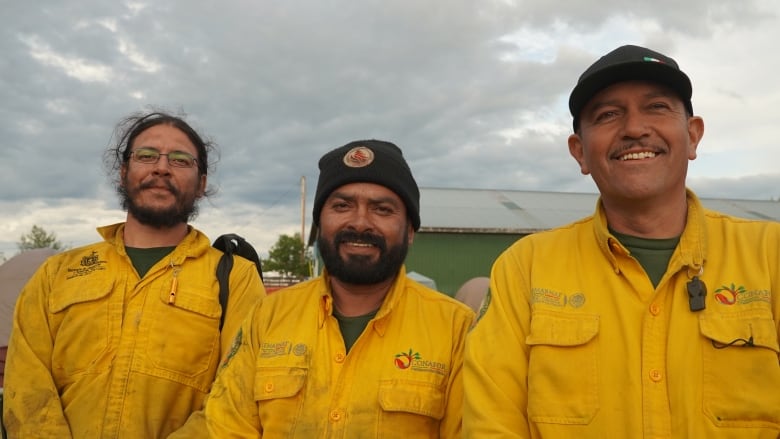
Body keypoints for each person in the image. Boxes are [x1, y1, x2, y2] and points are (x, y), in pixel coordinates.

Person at [464, 45, 780, 437]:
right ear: (580, 152)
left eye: (657, 107)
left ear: (693, 136)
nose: (634, 128)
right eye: (608, 115)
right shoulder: (524, 269)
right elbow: (490, 425)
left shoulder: (771, 255)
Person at [181, 139, 475, 437]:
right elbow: (225, 427)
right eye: (342, 206)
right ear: (319, 224)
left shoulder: (456, 330)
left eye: (382, 209)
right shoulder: (268, 317)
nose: (360, 223)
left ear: (410, 231)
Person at [2, 111, 266, 438]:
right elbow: (26, 384)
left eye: (181, 160)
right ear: (124, 171)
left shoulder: (235, 278)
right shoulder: (57, 273)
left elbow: (237, 397)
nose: (161, 167)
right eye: (146, 156)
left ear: (202, 184)